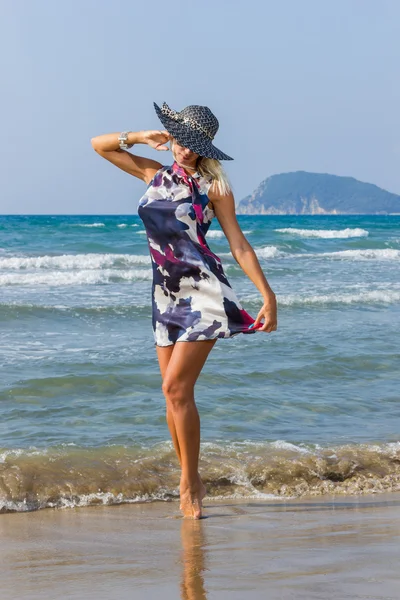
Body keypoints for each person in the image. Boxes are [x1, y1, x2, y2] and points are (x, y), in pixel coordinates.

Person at [91, 102, 278, 519]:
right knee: (173, 396)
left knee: (175, 389)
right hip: (165, 296)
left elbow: (238, 244)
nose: (185, 151)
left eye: (195, 145)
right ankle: (188, 477)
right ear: (171, 135)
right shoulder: (153, 174)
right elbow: (99, 145)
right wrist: (141, 136)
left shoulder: (214, 187)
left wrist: (268, 295)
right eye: (181, 140)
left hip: (204, 292)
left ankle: (190, 483)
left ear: (206, 148)